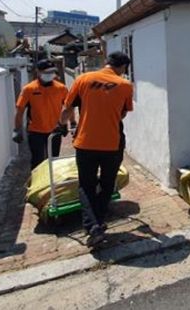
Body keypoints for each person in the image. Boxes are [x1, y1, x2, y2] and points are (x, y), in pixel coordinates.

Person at [59, 52, 133, 247]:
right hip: (112, 143)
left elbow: (67, 109)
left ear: (106, 63)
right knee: (108, 184)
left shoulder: (83, 79)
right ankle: (97, 224)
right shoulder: (125, 86)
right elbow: (122, 113)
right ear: (122, 67)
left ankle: (94, 227)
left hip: (85, 143)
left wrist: (61, 125)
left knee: (86, 185)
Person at [14, 59, 71, 169]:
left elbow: (69, 107)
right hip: (35, 131)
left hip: (55, 130)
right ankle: (37, 184)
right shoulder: (29, 89)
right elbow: (20, 110)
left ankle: (52, 184)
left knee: (54, 160)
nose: (50, 75)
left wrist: (68, 123)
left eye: (52, 72)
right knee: (37, 161)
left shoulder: (61, 88)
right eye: (47, 72)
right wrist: (17, 129)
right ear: (38, 72)